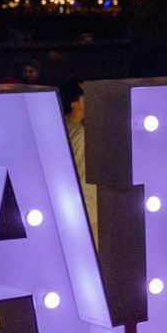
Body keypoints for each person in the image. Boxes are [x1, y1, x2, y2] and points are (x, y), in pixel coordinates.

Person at [58, 82, 98, 238]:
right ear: (74, 102)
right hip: (85, 209)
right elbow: (83, 174)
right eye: (84, 97)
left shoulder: (61, 126)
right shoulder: (79, 133)